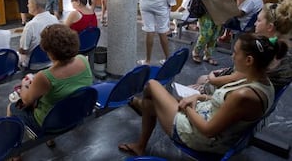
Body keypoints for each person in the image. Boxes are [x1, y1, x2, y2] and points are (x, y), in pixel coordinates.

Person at [120, 33, 287, 156]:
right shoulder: (262, 82)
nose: (232, 56)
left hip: (199, 136)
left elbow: (208, 131)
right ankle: (141, 141)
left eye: (236, 53)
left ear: (249, 60)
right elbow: (227, 106)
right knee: (152, 103)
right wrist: (198, 97)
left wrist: (188, 108)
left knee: (152, 85)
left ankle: (141, 106)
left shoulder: (244, 95)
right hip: (204, 113)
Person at [7, 23, 93, 138]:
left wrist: (24, 85)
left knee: (11, 107)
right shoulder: (83, 59)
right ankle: (50, 140)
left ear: (49, 52)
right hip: (77, 114)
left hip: (51, 124)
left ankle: (15, 150)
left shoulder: (45, 77)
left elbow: (26, 100)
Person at [191, 0, 292, 94]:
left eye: (259, 20)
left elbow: (239, 79)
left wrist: (212, 79)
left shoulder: (263, 51)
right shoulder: (281, 49)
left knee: (200, 80)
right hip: (251, 93)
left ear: (269, 27)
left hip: (236, 92)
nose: (255, 23)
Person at [18, 0, 59, 69]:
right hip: (52, 60)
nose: (27, 5)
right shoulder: (54, 19)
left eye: (29, 3)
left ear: (35, 6)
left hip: (34, 64)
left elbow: (24, 49)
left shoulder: (31, 25)